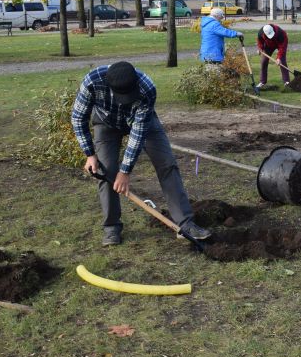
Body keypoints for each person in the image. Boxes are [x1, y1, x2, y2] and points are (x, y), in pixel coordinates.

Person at [72, 61, 211, 246]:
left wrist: (125, 172)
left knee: (167, 164)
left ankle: (185, 224)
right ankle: (111, 227)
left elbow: (137, 135)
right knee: (106, 171)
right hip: (106, 122)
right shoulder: (92, 82)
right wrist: (90, 154)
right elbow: (78, 117)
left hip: (142, 122)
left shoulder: (146, 88)